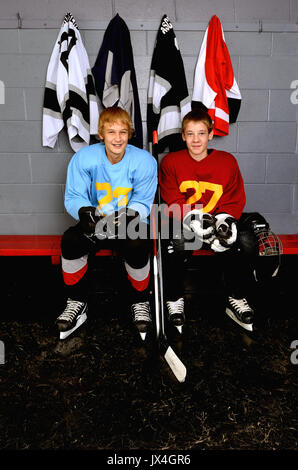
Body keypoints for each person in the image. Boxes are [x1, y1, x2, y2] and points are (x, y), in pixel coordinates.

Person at [56, 107, 157, 339]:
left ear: (130, 133)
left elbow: (143, 200)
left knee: (138, 244)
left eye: (123, 132)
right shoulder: (84, 157)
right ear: (101, 134)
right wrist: (84, 212)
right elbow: (73, 196)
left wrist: (132, 214)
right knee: (71, 240)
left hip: (127, 223)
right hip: (97, 223)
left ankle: (140, 302)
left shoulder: (143, 161)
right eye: (111, 132)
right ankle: (77, 302)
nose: (118, 138)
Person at [159, 108, 260, 332]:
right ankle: (175, 299)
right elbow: (171, 197)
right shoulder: (170, 162)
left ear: (211, 134)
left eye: (201, 133)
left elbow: (234, 197)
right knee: (173, 244)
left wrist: (222, 223)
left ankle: (236, 297)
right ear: (183, 136)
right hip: (187, 222)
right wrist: (194, 220)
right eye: (191, 134)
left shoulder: (227, 161)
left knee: (247, 243)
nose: (196, 139)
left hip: (220, 221)